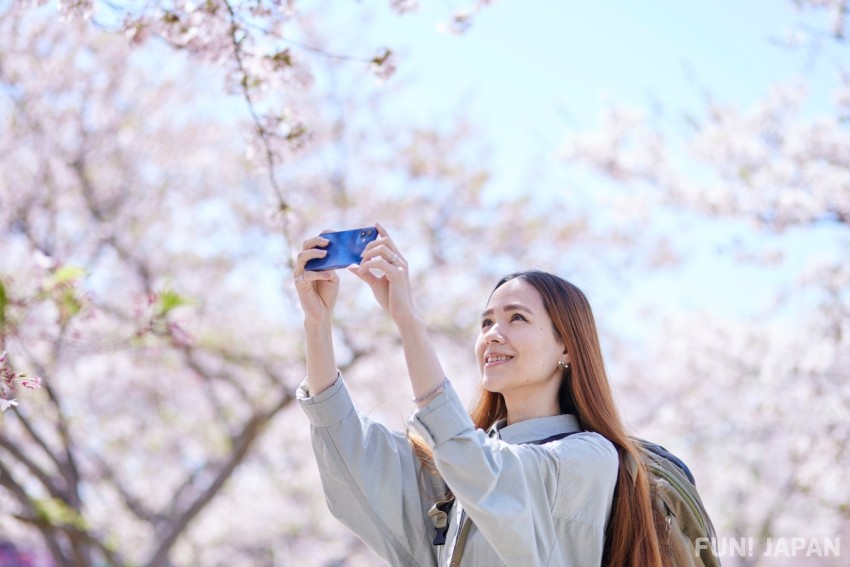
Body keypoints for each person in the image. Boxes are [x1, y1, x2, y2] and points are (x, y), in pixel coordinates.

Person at [294, 223, 667, 566]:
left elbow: (488, 471)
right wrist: (318, 323)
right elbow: (349, 450)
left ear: (566, 347)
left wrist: (408, 322)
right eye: (487, 322)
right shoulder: (453, 475)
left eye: (516, 318)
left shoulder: (588, 458)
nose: (492, 333)